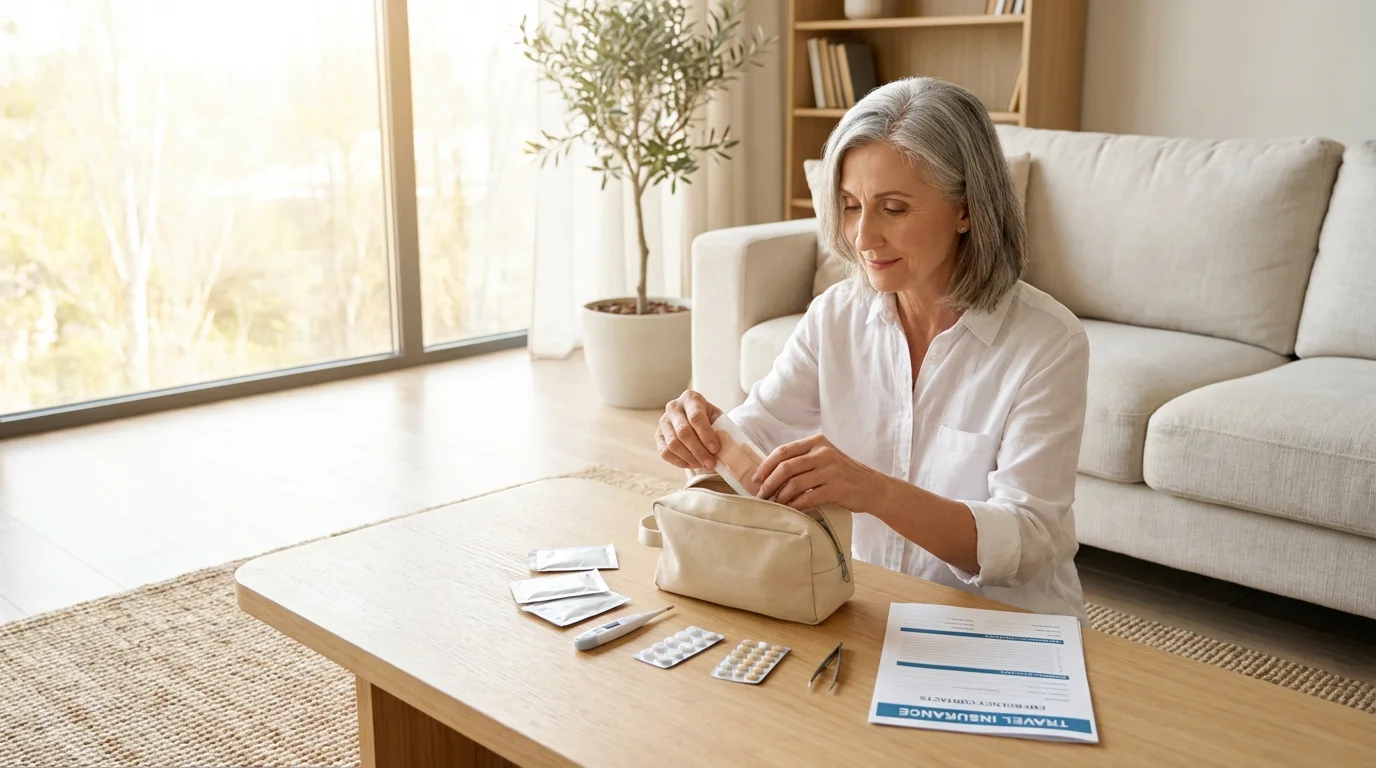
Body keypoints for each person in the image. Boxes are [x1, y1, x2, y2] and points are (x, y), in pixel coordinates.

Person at [655, 77, 1090, 622]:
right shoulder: (836, 316)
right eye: (852, 205)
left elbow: (1026, 543)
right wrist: (705, 435)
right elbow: (759, 433)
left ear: (967, 209)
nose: (862, 238)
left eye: (894, 208)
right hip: (867, 608)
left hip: (1001, 624)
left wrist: (873, 491)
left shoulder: (1049, 343)